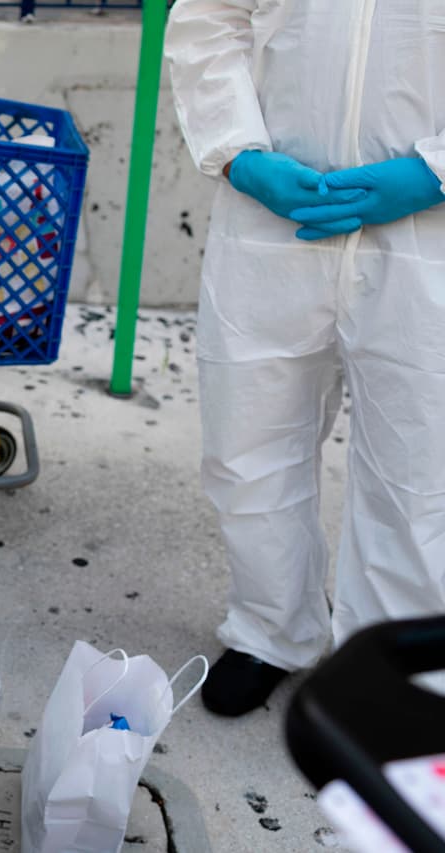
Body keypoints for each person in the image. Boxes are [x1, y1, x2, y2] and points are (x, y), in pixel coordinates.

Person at [165, 0, 445, 716]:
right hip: (273, 222)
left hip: (427, 234)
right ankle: (269, 629)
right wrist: (240, 153)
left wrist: (435, 171)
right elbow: (209, 19)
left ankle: (393, 669)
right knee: (248, 444)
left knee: (417, 474)